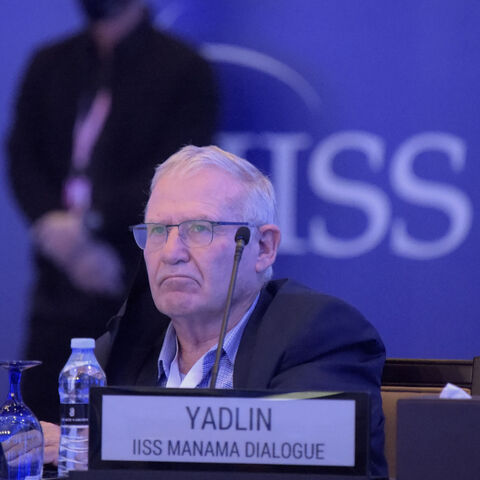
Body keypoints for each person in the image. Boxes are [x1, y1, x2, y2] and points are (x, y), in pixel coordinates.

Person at [41, 145, 387, 476]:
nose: (172, 252)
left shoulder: (319, 335)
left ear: (264, 247)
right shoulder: (120, 349)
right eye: (158, 230)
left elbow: (301, 466)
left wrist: (102, 450)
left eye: (199, 229)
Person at [7, 0, 217, 424]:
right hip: (57, 277)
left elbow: (176, 167)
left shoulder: (185, 69)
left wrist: (91, 225)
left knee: (127, 424)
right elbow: (21, 154)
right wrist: (55, 229)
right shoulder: (49, 62)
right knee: (41, 426)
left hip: (134, 275)